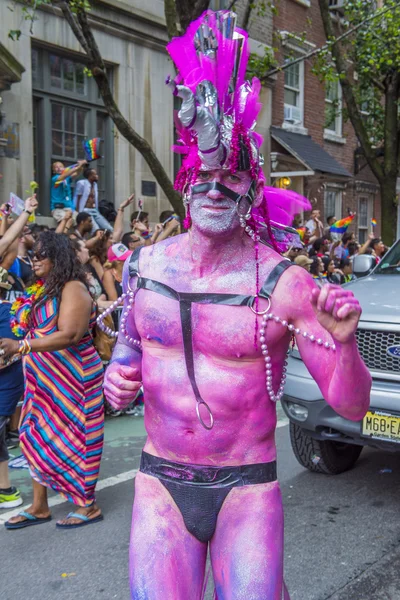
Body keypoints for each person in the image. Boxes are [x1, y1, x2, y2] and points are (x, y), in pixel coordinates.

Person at [103, 10, 371, 599]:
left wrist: (345, 344)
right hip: (159, 485)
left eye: (233, 180)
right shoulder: (145, 268)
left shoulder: (286, 285)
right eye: (205, 178)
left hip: (246, 490)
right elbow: (126, 352)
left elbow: (350, 405)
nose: (216, 190)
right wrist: (116, 379)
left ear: (252, 191)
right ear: (187, 181)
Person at [1, 231, 104, 530]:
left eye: (40, 255)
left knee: (77, 437)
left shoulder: (73, 287)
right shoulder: (41, 290)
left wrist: (22, 347)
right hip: (42, 382)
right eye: (33, 255)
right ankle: (40, 506)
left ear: (58, 257)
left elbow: (70, 334)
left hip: (74, 381)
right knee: (34, 437)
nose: (34, 260)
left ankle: (88, 504)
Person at [0, 267, 24, 509]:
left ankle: (6, 491)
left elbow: (5, 355)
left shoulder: (6, 312)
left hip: (5, 385)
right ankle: (5, 490)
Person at [73, 168, 113, 232]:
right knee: (95, 230)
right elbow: (77, 198)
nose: (97, 176)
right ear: (90, 176)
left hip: (95, 210)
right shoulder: (81, 183)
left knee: (110, 229)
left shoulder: (95, 185)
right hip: (85, 210)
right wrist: (78, 212)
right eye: (95, 174)